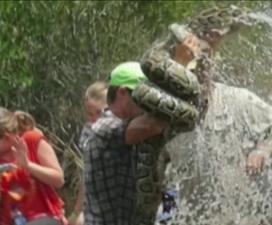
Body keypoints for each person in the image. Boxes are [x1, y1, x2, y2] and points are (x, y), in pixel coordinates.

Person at [160, 32, 272, 222]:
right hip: (199, 217)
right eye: (190, 73)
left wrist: (264, 150)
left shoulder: (239, 100)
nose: (198, 75)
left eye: (203, 69)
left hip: (252, 215)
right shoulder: (165, 113)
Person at [83, 62, 168, 225]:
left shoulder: (135, 129)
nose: (148, 106)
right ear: (123, 93)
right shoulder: (103, 126)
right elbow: (155, 123)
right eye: (144, 99)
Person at [0, 109, 67, 225]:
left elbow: (59, 180)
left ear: (7, 137)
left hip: (43, 217)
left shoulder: (31, 140)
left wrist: (27, 165)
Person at [68, 81, 108, 225]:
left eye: (99, 112)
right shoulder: (88, 133)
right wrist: (76, 212)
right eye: (90, 114)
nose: (94, 119)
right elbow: (88, 176)